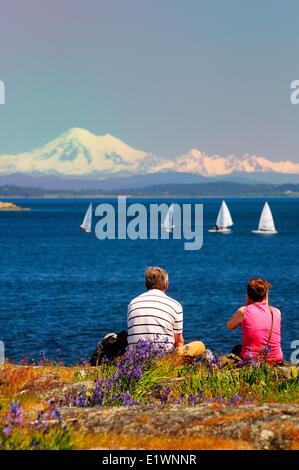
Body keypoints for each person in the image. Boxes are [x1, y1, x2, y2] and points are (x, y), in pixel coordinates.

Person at [127, 266, 206, 357]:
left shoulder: (133, 303)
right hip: (164, 357)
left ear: (146, 284)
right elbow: (178, 341)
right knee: (200, 345)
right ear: (166, 284)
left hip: (135, 357)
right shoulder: (175, 305)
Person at [226, 278, 283, 364]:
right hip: (276, 360)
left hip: (252, 360)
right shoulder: (276, 312)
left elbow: (229, 326)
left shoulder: (243, 311)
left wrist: (246, 304)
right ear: (266, 295)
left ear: (248, 296)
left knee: (237, 349)